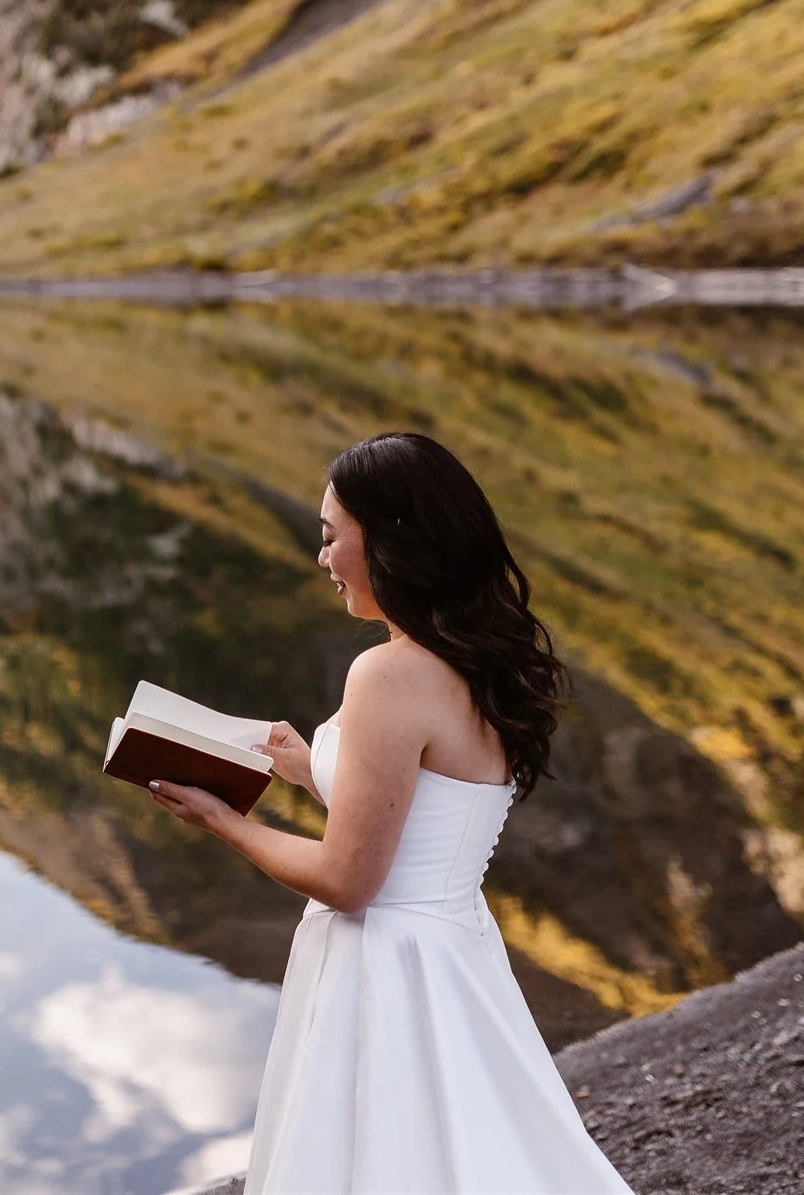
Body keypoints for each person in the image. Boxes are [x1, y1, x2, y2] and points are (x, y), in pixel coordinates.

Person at [149, 431, 633, 1193]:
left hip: (385, 967)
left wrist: (221, 818)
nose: (322, 557)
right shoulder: (478, 657)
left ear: (392, 543)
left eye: (331, 536)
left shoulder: (385, 674)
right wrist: (313, 770)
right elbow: (435, 806)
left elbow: (349, 879)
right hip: (454, 949)